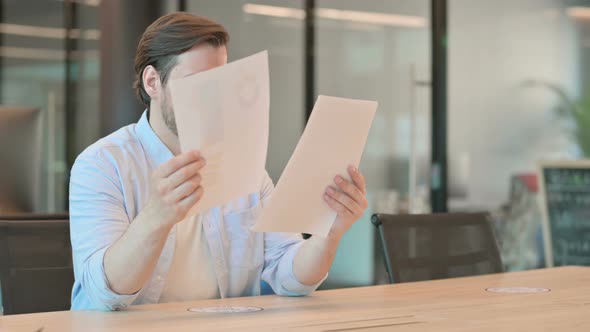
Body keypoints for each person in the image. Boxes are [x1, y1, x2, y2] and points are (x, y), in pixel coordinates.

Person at [69, 12, 369, 311]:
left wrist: (328, 232)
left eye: (219, 83)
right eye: (197, 84)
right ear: (152, 82)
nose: (213, 99)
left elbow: (291, 276)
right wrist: (156, 217)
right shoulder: (101, 164)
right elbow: (104, 293)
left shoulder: (246, 164)